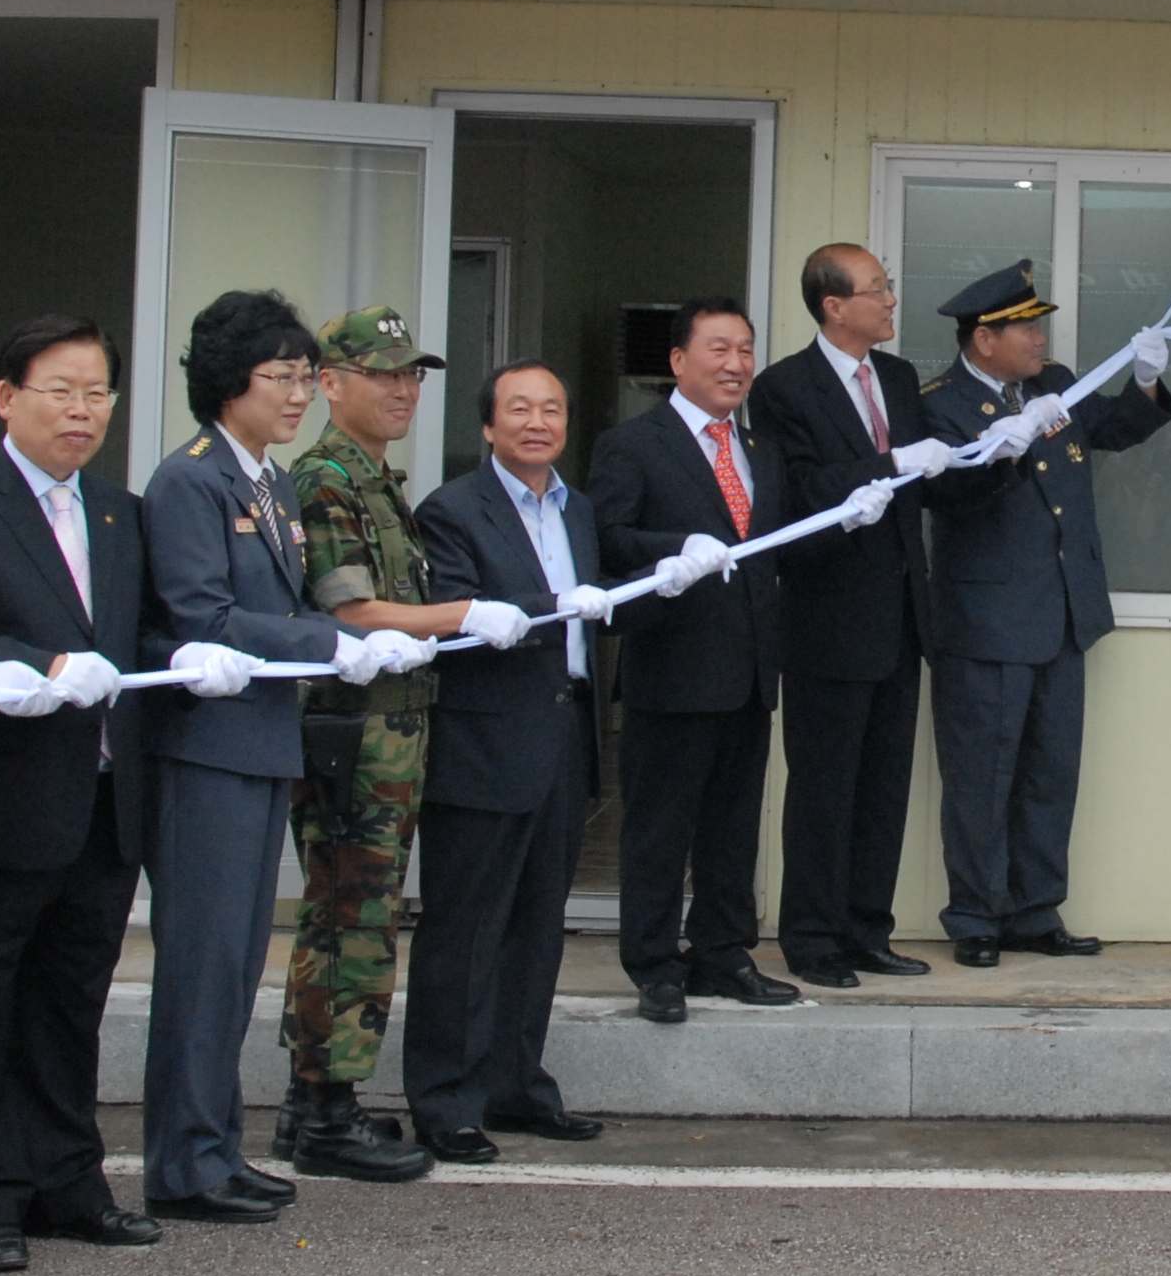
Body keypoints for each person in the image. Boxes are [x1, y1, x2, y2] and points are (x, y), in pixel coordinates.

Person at [140, 290, 421, 1224]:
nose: (300, 394)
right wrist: (332, 642)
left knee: (235, 964)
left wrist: (329, 637)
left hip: (263, 741)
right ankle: (185, 1163)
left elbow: (286, 603)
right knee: (204, 962)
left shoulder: (267, 482)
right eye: (283, 377)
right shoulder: (192, 482)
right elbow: (205, 616)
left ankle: (217, 1147)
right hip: (211, 748)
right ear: (231, 382)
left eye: (305, 377)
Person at [0, 313, 166, 1273]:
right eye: (61, 390)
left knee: (69, 1002)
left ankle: (67, 1181)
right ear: (7, 397)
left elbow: (136, 639)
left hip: (101, 797)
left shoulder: (121, 512)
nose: (81, 410)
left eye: (98, 393)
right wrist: (36, 664)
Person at [912, 260, 1171, 964]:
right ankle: (975, 916)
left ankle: (1035, 910)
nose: (1039, 339)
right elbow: (950, 496)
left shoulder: (1053, 384)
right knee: (982, 778)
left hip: (1062, 613)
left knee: (1050, 773)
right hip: (987, 622)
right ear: (983, 338)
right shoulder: (939, 403)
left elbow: (1113, 428)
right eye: (1025, 328)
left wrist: (1146, 381)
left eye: (1037, 325)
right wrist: (1005, 447)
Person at [403, 360, 608, 1162]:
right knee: (465, 929)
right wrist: (551, 607)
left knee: (537, 926)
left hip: (562, 739)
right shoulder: (451, 509)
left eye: (551, 409)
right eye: (519, 409)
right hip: (483, 746)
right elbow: (455, 613)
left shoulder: (577, 509)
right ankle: (446, 1101)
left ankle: (516, 1085)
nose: (537, 422)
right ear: (488, 425)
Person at [272, 307, 458, 1186]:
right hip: (355, 729)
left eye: (410, 374)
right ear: (330, 384)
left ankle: (314, 1101)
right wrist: (465, 617)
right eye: (382, 373)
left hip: (392, 726)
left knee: (357, 912)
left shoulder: (377, 479)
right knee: (351, 916)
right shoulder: (326, 478)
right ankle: (325, 1110)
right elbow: (351, 609)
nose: (402, 389)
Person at [592, 296, 802, 1023]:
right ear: (679, 360)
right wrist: (674, 549)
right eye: (719, 348)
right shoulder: (633, 444)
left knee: (733, 828)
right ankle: (654, 964)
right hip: (672, 670)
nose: (736, 364)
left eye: (745, 349)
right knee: (660, 829)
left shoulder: (761, 448)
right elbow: (608, 538)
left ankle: (722, 953)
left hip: (750, 673)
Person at [746, 244, 952, 987]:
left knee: (883, 789)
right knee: (824, 789)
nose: (891, 300)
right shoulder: (783, 388)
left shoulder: (895, 377)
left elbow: (926, 482)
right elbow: (798, 492)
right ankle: (811, 938)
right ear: (834, 306)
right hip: (827, 623)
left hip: (900, 618)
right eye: (877, 289)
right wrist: (888, 466)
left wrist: (991, 453)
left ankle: (868, 930)